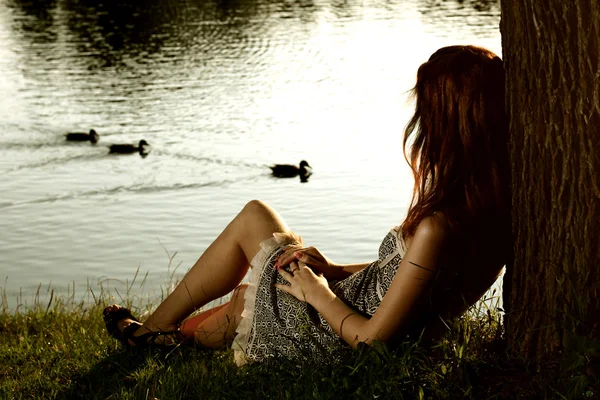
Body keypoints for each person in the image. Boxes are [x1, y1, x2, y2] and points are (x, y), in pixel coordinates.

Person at [103, 45, 511, 366]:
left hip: (331, 331)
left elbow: (371, 341)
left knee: (253, 256)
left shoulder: (439, 227)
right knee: (255, 271)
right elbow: (407, 281)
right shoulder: (487, 215)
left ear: (446, 126)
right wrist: (333, 272)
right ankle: (160, 337)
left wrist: (318, 294)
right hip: (343, 304)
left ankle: (155, 336)